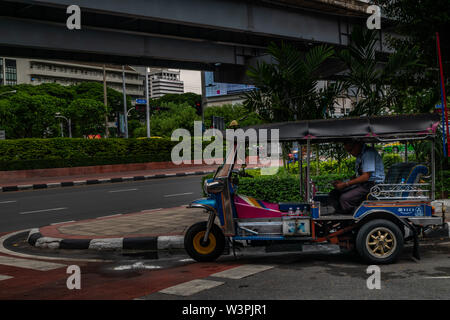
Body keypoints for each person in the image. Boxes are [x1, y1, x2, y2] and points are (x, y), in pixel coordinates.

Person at [329, 139, 385, 214]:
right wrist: (343, 183)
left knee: (345, 198)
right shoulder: (360, 155)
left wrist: (345, 184)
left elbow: (366, 176)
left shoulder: (368, 153)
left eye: (351, 150)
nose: (350, 153)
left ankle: (354, 217)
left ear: (357, 145)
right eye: (348, 151)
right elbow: (358, 175)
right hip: (364, 184)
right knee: (334, 193)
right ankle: (342, 212)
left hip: (372, 185)